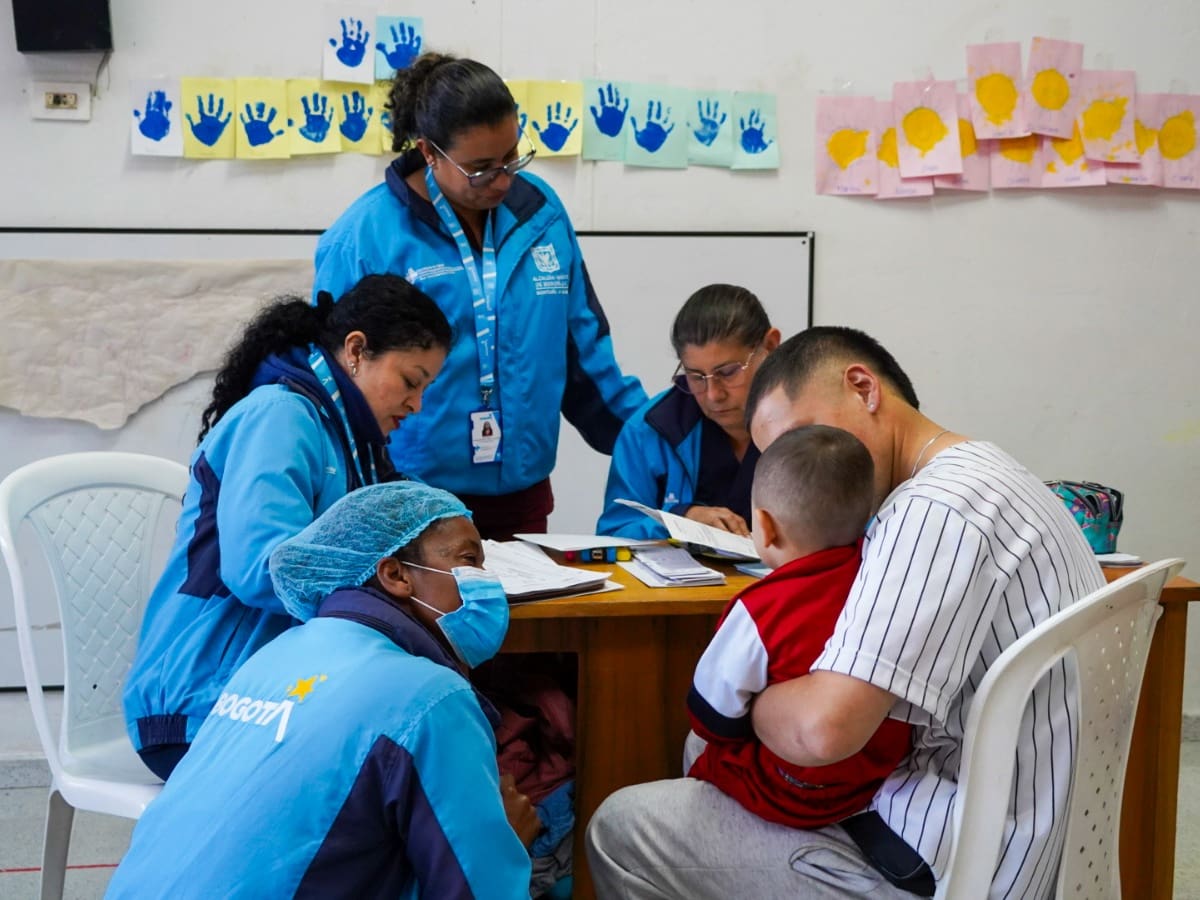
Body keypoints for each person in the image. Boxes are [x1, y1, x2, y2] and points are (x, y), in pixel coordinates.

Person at [586, 326, 1105, 899]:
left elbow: (822, 730)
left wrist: (751, 706)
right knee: (700, 750)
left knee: (621, 826)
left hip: (953, 855)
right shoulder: (989, 472)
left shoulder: (932, 510)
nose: (805, 469)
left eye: (801, 438)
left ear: (863, 387)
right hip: (1014, 818)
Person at [105, 482, 541, 900]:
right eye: (469, 560)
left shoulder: (273, 657)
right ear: (394, 574)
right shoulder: (430, 696)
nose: (487, 581)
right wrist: (505, 842)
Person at [123, 274, 452, 781]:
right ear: (356, 351)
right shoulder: (281, 415)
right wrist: (390, 586)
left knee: (437, 730)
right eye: (411, 382)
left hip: (278, 686)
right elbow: (263, 568)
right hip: (203, 701)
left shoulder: (350, 437)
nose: (417, 405)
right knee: (404, 766)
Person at [314, 52, 646, 540]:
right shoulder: (364, 238)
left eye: (512, 157)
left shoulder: (542, 215)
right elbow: (333, 386)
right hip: (406, 501)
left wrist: (665, 439)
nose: (504, 179)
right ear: (429, 153)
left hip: (523, 499)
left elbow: (586, 357)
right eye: (481, 168)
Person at [685, 425, 911, 829]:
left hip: (789, 793)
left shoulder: (758, 608)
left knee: (702, 749)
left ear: (765, 526)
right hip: (870, 780)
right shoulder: (880, 581)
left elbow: (710, 715)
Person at [596, 284, 780, 539]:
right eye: (696, 377)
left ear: (770, 346)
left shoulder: (809, 422)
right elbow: (614, 533)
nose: (714, 394)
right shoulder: (649, 430)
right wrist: (679, 520)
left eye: (728, 372)